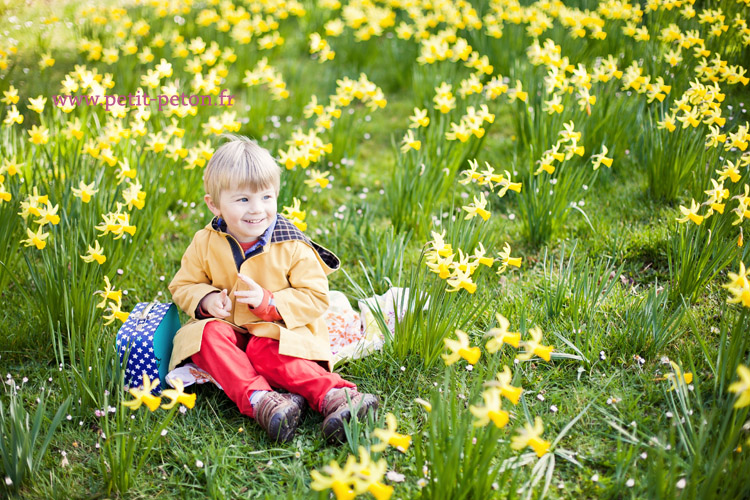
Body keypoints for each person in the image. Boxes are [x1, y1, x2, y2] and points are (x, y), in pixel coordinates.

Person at [168, 134, 378, 443]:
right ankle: (264, 402)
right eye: (243, 199)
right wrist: (207, 298)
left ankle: (336, 396)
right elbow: (183, 284)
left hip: (278, 331)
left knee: (262, 348)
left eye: (267, 197)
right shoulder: (205, 242)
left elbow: (315, 297)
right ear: (214, 205)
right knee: (204, 336)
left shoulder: (291, 245)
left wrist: (270, 302)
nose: (257, 210)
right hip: (229, 330)